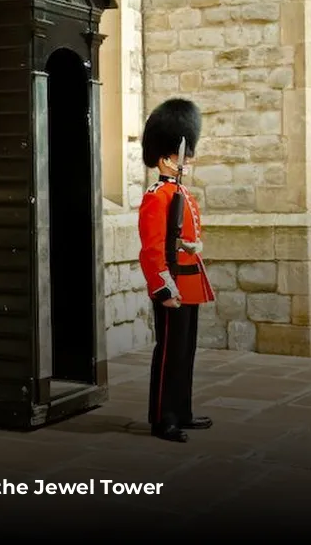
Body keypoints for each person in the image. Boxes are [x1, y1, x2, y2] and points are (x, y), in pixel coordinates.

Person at [138, 98, 215, 443]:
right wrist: (164, 288)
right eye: (181, 153)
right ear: (165, 156)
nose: (187, 159)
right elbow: (152, 249)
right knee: (169, 352)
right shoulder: (157, 196)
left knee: (186, 352)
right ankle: (162, 417)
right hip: (172, 285)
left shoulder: (180, 192)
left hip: (189, 282)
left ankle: (181, 410)